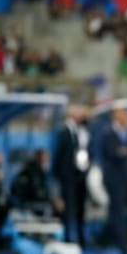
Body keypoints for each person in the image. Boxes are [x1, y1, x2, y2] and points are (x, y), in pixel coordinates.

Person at [100, 105, 127, 254]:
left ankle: (106, 241)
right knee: (118, 212)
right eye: (125, 116)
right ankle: (124, 248)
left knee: (123, 213)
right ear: (117, 116)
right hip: (114, 180)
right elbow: (115, 153)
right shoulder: (108, 134)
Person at [52, 105, 91, 246]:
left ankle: (81, 239)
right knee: (68, 209)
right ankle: (68, 238)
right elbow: (59, 156)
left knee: (80, 208)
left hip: (79, 176)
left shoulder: (82, 131)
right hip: (67, 178)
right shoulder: (64, 132)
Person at [10, 149, 55, 217]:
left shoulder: (45, 173)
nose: (45, 159)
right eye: (43, 156)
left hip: (43, 207)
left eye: (46, 156)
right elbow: (16, 191)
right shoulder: (28, 172)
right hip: (31, 208)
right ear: (37, 156)